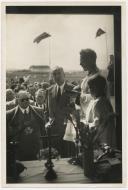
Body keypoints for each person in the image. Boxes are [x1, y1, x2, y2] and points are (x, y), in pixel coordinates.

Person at [6, 90, 45, 161]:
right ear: (17, 100)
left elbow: (43, 130)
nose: (25, 101)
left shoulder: (39, 111)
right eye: (22, 100)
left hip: (36, 149)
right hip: (19, 151)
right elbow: (8, 135)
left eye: (27, 99)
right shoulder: (9, 115)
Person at [47, 66, 75, 158]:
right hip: (55, 129)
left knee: (69, 155)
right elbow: (49, 110)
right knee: (56, 156)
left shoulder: (73, 89)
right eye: (54, 74)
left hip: (69, 128)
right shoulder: (49, 90)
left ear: (64, 75)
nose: (57, 76)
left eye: (59, 73)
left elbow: (76, 109)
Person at [84, 75, 116, 148]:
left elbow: (98, 123)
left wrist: (86, 126)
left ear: (98, 88)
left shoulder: (100, 102)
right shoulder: (97, 101)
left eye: (91, 88)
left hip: (101, 138)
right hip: (100, 136)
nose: (89, 90)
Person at [79, 49, 105, 118]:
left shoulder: (98, 78)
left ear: (90, 61)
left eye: (82, 60)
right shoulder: (89, 75)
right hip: (85, 116)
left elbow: (99, 100)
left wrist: (78, 96)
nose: (80, 63)